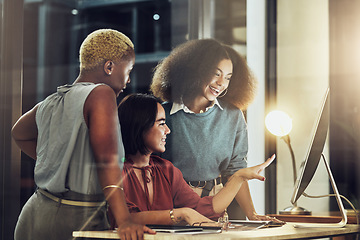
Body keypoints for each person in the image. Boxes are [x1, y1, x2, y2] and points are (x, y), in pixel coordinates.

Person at [11, 29, 155, 240]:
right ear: (109, 67)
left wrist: (58, 165)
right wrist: (124, 220)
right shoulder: (101, 93)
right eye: (129, 69)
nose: (129, 80)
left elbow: (19, 133)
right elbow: (107, 160)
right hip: (76, 219)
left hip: (33, 216)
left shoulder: (49, 102)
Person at [150, 38, 276, 221]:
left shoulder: (233, 116)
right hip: (171, 207)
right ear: (195, 70)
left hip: (215, 206)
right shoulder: (164, 113)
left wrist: (252, 214)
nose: (221, 83)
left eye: (228, 77)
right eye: (216, 74)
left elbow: (235, 169)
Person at [114, 93, 276, 226]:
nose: (168, 130)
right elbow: (125, 218)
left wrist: (239, 177)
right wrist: (181, 213)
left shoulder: (166, 169)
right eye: (161, 124)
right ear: (140, 126)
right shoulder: (115, 171)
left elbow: (201, 208)